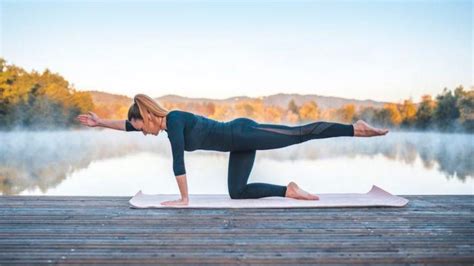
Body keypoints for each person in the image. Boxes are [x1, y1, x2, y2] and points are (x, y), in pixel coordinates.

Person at [76, 94, 389, 206]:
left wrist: (184, 200)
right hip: (237, 146)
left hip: (244, 132)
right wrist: (100, 121)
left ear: (146, 117)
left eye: (140, 126)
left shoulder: (172, 122)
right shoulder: (165, 124)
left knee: (298, 134)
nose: (141, 132)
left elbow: (177, 161)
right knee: (237, 192)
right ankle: (288, 190)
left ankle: (355, 128)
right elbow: (126, 125)